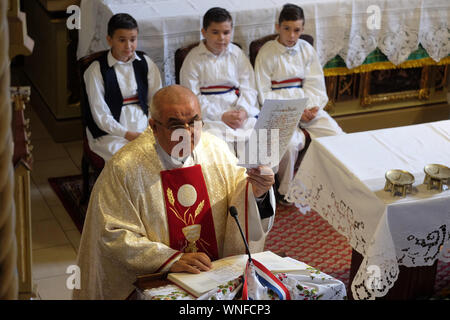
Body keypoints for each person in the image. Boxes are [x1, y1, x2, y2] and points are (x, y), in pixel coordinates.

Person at [73, 85, 276, 300]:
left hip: (216, 272)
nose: (187, 133)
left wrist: (258, 192)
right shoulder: (124, 168)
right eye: (176, 125)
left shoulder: (216, 150)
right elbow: (111, 231)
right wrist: (170, 259)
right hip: (156, 279)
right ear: (153, 127)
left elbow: (241, 198)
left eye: (194, 122)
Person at [254, 3, 344, 203]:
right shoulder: (266, 53)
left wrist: (308, 108)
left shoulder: (307, 50)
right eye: (287, 29)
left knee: (335, 134)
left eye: (297, 30)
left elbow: (316, 85)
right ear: (278, 27)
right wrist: (294, 111)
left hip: (307, 107)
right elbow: (264, 93)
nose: (292, 35)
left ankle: (334, 182)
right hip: (280, 110)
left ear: (302, 30)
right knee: (290, 144)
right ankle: (286, 191)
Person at [180, 7, 260, 156]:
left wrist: (242, 110)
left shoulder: (237, 54)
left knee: (259, 134)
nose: (221, 38)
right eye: (215, 32)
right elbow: (191, 98)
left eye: (226, 32)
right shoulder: (193, 59)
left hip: (236, 108)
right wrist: (221, 115)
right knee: (219, 144)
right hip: (210, 114)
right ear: (204, 33)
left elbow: (249, 87)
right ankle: (231, 177)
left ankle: (255, 178)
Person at [83, 13, 162, 161]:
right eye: (121, 40)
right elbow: (100, 114)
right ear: (109, 40)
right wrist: (128, 134)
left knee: (160, 157)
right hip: (110, 133)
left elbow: (156, 101)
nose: (128, 46)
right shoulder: (96, 70)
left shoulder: (145, 63)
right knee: (127, 161)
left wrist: (150, 129)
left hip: (143, 125)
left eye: (133, 40)